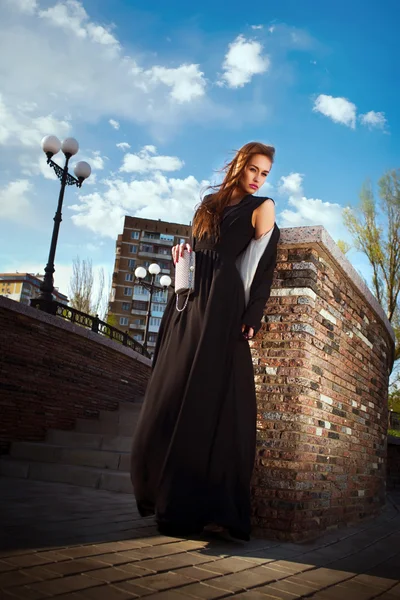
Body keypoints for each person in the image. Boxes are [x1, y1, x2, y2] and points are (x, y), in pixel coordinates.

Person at [130, 141, 281, 541]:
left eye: (264, 173)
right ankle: (165, 495)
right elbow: (199, 250)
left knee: (211, 399)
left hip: (224, 302)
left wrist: (253, 315)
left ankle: (203, 507)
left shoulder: (262, 207)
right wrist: (183, 253)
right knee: (171, 393)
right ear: (238, 165)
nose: (258, 178)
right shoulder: (207, 205)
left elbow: (264, 264)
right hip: (188, 299)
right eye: (253, 169)